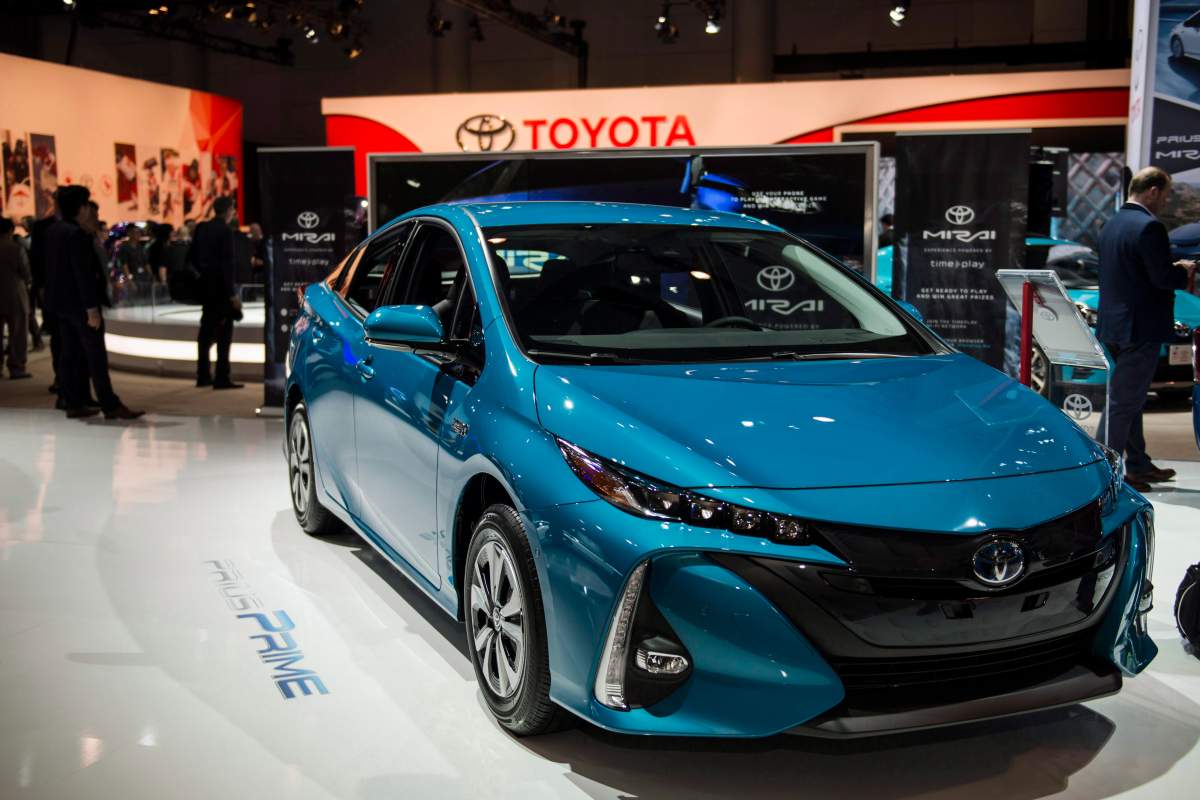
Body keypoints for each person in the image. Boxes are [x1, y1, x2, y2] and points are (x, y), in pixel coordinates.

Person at [1095, 166, 1196, 491]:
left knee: (1131, 399)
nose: (1165, 202)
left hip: (1114, 326)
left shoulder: (1112, 224)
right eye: (1165, 195)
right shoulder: (1149, 226)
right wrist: (1184, 271)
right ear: (1152, 190)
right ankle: (1103, 473)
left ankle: (1137, 465)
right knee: (1124, 403)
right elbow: (1161, 278)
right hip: (1141, 328)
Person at [44, 185, 143, 420]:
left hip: (61, 304)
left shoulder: (54, 231)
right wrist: (91, 309)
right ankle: (110, 405)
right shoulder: (76, 235)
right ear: (81, 208)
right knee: (95, 356)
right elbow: (83, 274)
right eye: (87, 204)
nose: (90, 209)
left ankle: (73, 402)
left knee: (69, 353)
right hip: (81, 306)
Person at [191, 196, 243, 389]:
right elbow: (227, 266)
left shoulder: (201, 228)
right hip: (221, 291)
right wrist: (232, 295)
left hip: (206, 289)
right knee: (223, 335)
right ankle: (222, 377)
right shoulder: (225, 232)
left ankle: (202, 375)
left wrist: (205, 276)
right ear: (228, 210)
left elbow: (193, 258)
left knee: (205, 334)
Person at [0, 218, 33, 379]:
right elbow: (26, 273)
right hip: (15, 294)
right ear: (10, 231)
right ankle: (16, 367)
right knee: (18, 333)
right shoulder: (16, 248)